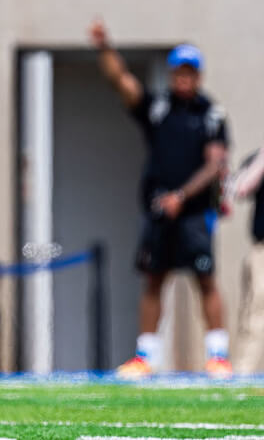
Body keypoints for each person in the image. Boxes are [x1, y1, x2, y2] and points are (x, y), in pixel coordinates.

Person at [89, 22, 232, 380]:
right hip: (158, 210)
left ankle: (218, 356)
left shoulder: (211, 114)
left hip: (195, 213)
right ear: (171, 74)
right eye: (178, 72)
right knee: (154, 279)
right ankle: (145, 357)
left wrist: (182, 196)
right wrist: (105, 49)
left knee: (206, 280)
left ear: (198, 75)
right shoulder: (158, 108)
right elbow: (123, 82)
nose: (184, 78)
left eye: (190, 72)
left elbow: (215, 164)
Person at [231, 148, 264, 373]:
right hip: (261, 249)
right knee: (254, 312)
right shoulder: (258, 158)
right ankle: (244, 373)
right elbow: (239, 188)